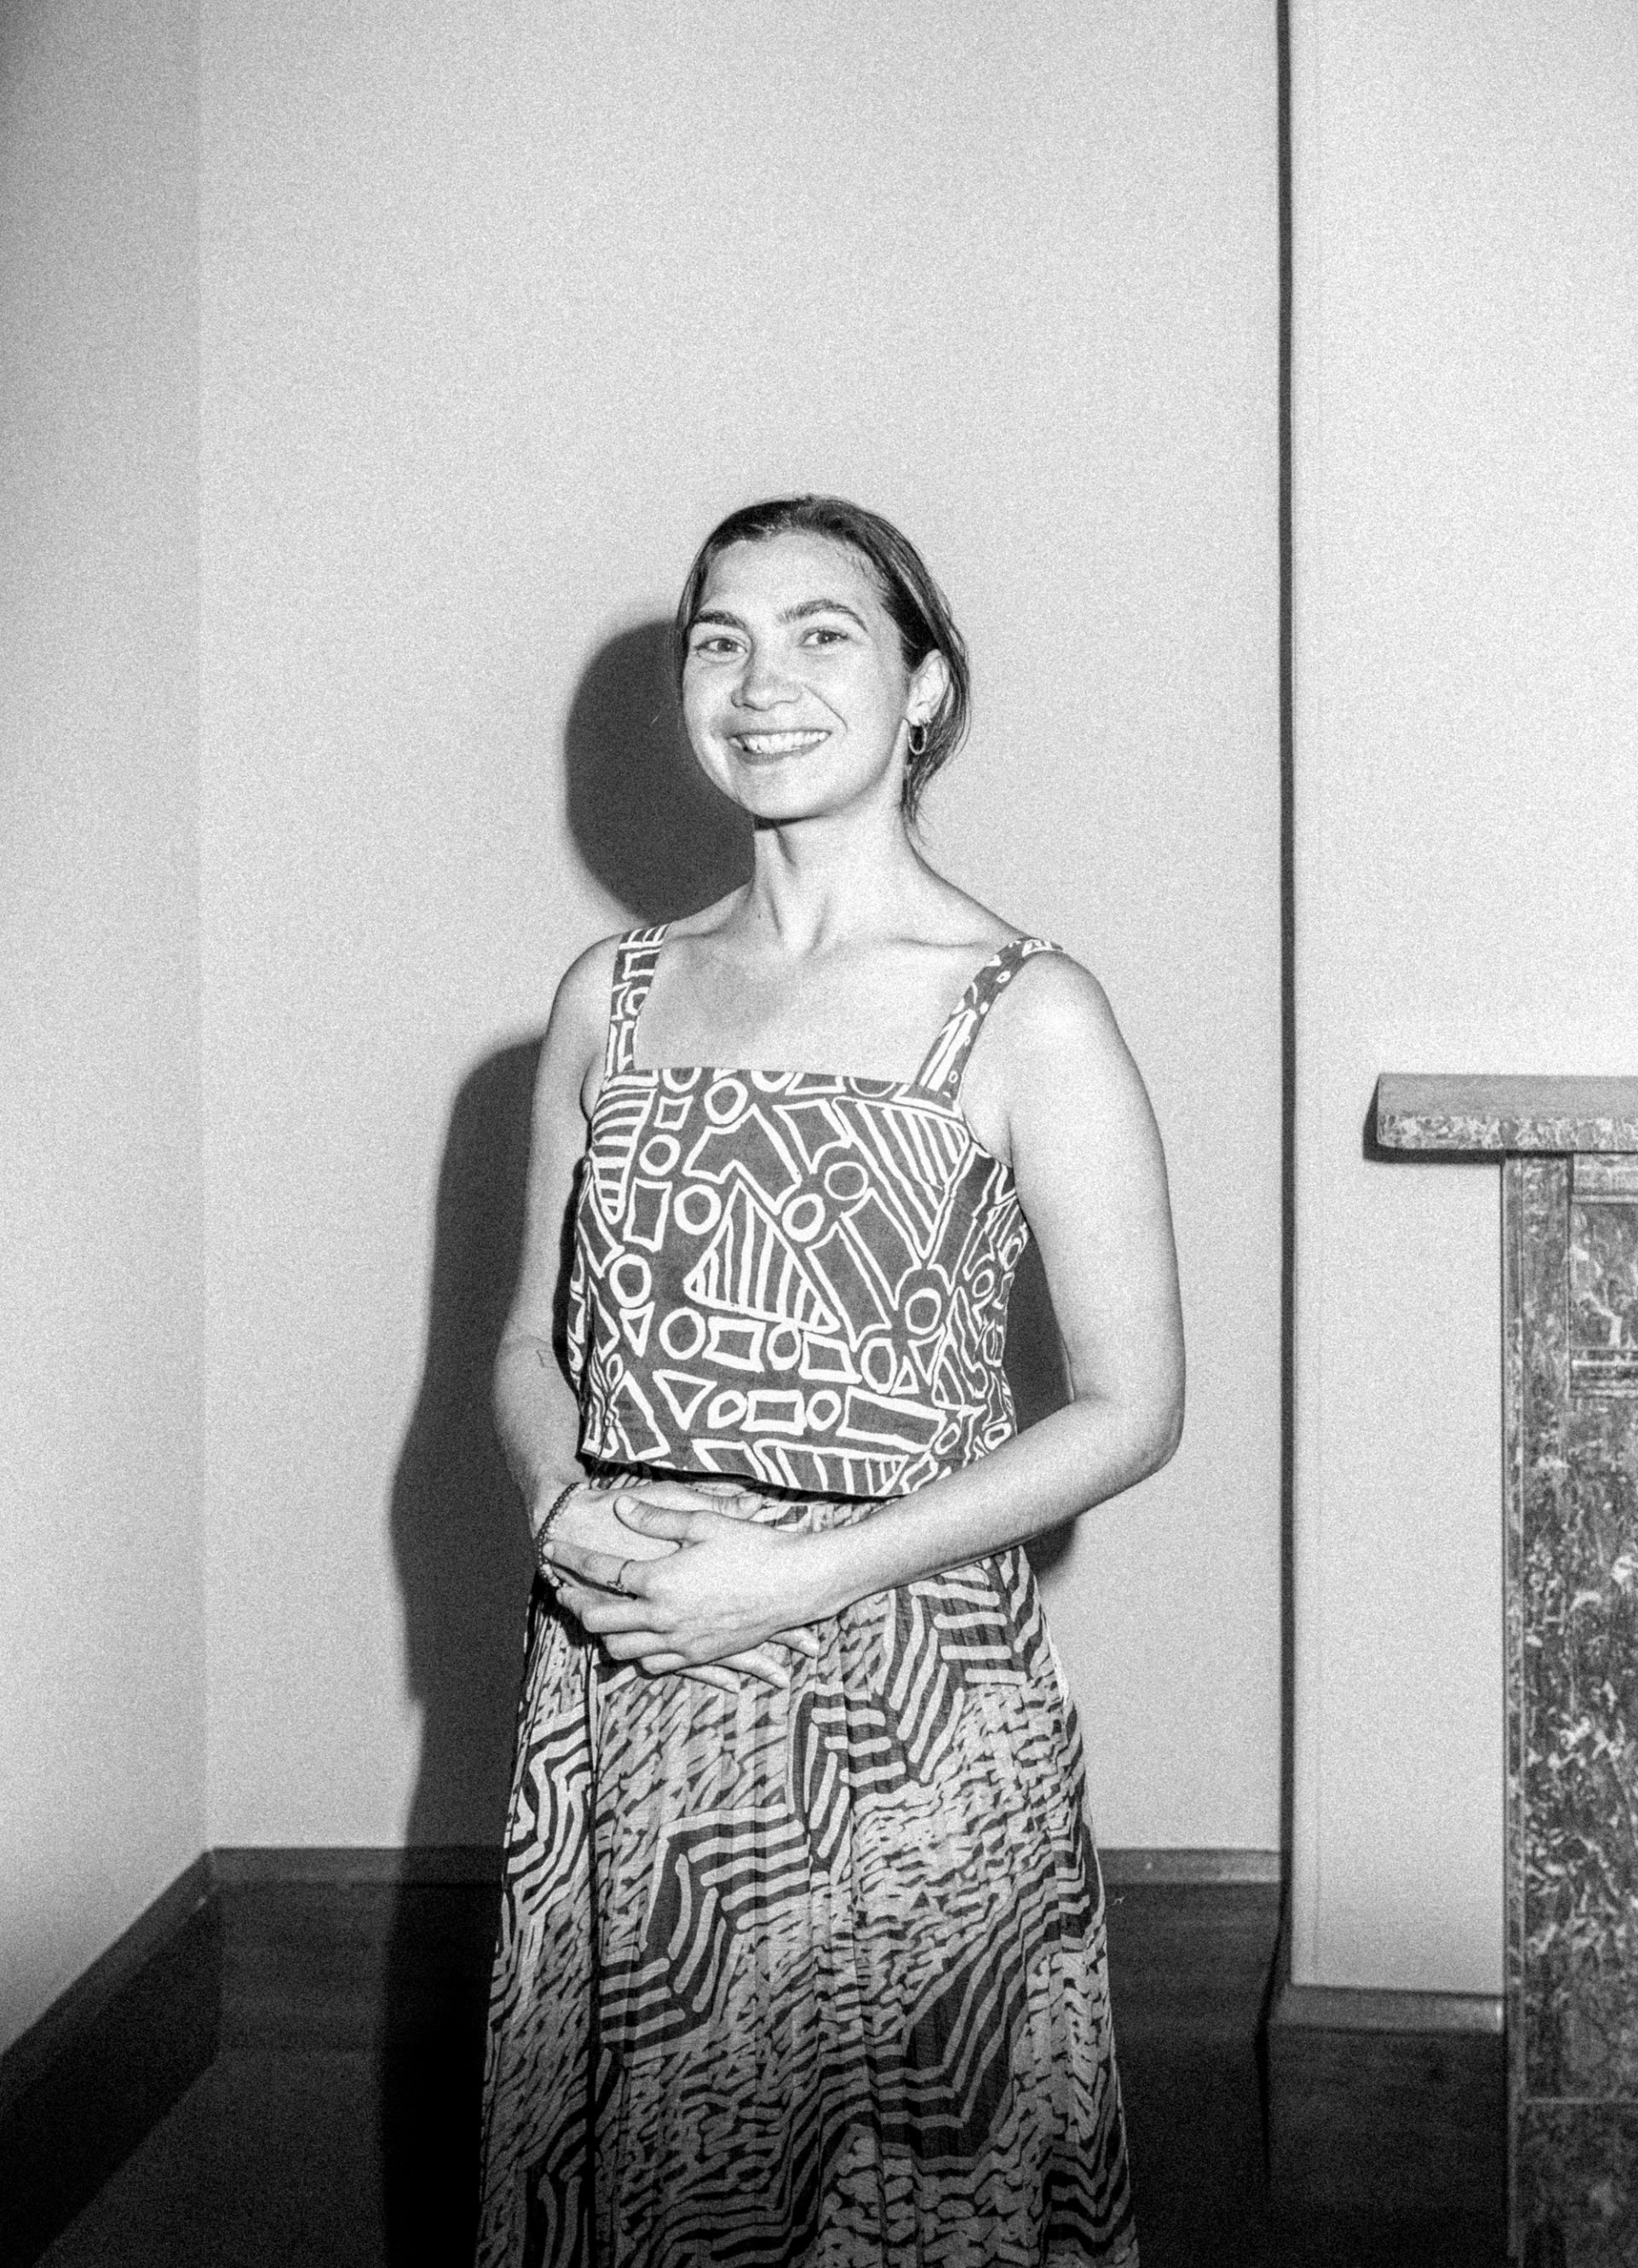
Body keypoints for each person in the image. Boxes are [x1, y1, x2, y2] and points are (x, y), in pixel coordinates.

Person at [473, 495, 1183, 2268]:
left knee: (906, 2199)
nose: (760, 677)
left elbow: (1132, 1404)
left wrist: (797, 1576)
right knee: (647, 2184)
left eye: (823, 633)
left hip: (900, 1697)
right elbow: (525, 1342)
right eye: (720, 637)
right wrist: (571, 1518)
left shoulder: (1027, 1009)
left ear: (925, 691)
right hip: (627, 1677)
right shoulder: (610, 996)